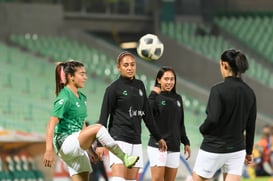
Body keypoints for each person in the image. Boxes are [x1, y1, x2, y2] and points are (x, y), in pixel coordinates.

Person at [43, 60, 139, 181]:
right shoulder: (64, 97)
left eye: (85, 74)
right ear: (71, 77)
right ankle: (124, 157)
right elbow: (51, 125)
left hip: (76, 145)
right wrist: (48, 150)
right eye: (82, 74)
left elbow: (83, 128)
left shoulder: (82, 98)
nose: (85, 77)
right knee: (99, 128)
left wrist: (91, 151)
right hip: (65, 143)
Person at [96, 51, 168, 181]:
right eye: (126, 65)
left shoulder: (140, 85)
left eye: (132, 65)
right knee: (118, 179)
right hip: (118, 140)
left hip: (136, 141)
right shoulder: (113, 89)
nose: (130, 68)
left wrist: (158, 137)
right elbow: (103, 118)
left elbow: (147, 115)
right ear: (119, 67)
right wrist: (100, 145)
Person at [192, 49, 257, 181]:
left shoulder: (217, 90)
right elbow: (251, 125)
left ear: (225, 65)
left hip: (214, 147)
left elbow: (213, 119)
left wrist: (202, 129)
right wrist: (249, 152)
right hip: (237, 149)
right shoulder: (250, 93)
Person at [147, 66, 191, 181]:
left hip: (174, 147)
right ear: (158, 80)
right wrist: (153, 94)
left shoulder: (178, 98)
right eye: (166, 79)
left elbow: (180, 123)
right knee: (157, 179)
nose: (169, 82)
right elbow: (147, 113)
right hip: (158, 146)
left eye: (172, 79)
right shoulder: (154, 97)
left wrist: (186, 142)